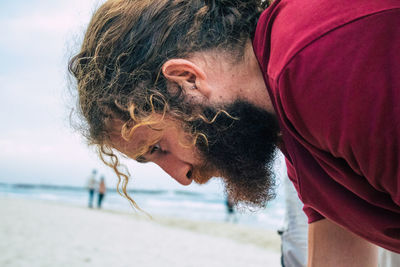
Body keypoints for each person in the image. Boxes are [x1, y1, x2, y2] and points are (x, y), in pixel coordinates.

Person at [68, 0, 400, 265]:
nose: (181, 177)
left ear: (187, 79)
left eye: (158, 147)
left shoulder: (314, 62)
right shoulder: (289, 131)